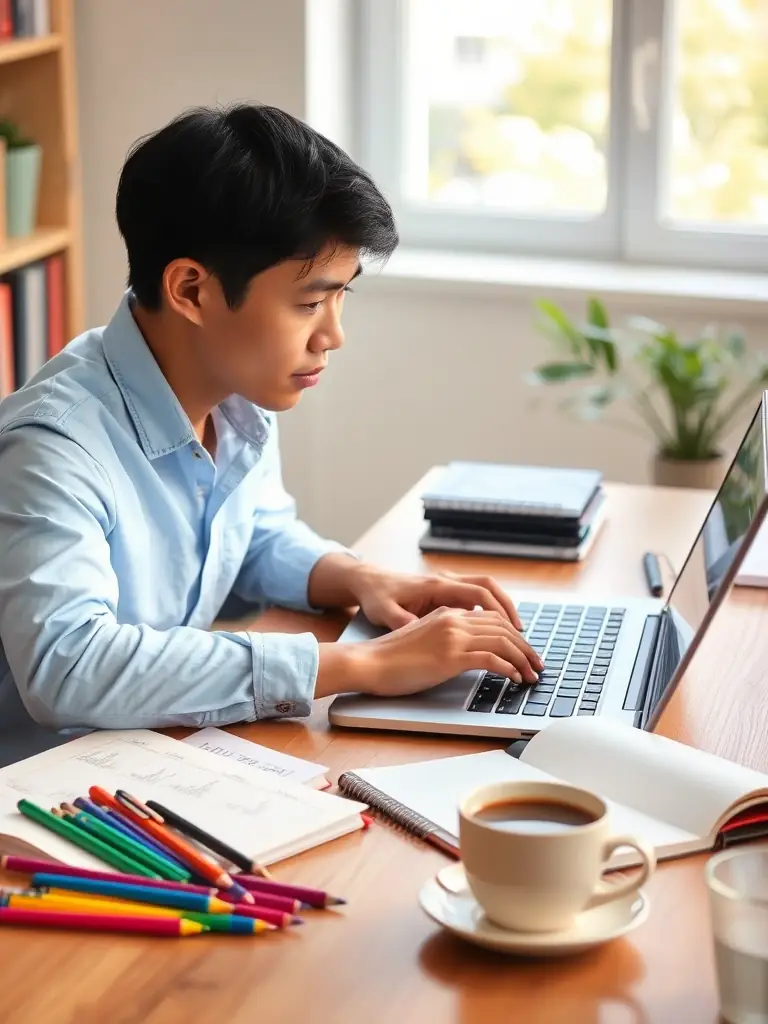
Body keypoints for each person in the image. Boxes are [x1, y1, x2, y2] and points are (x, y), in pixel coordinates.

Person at [0, 104, 540, 765]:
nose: (333, 335)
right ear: (192, 291)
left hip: (150, 755)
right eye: (310, 303)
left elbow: (245, 535)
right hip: (42, 805)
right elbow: (69, 666)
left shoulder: (232, 398)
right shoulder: (51, 448)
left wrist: (360, 579)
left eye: (342, 298)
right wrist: (360, 664)